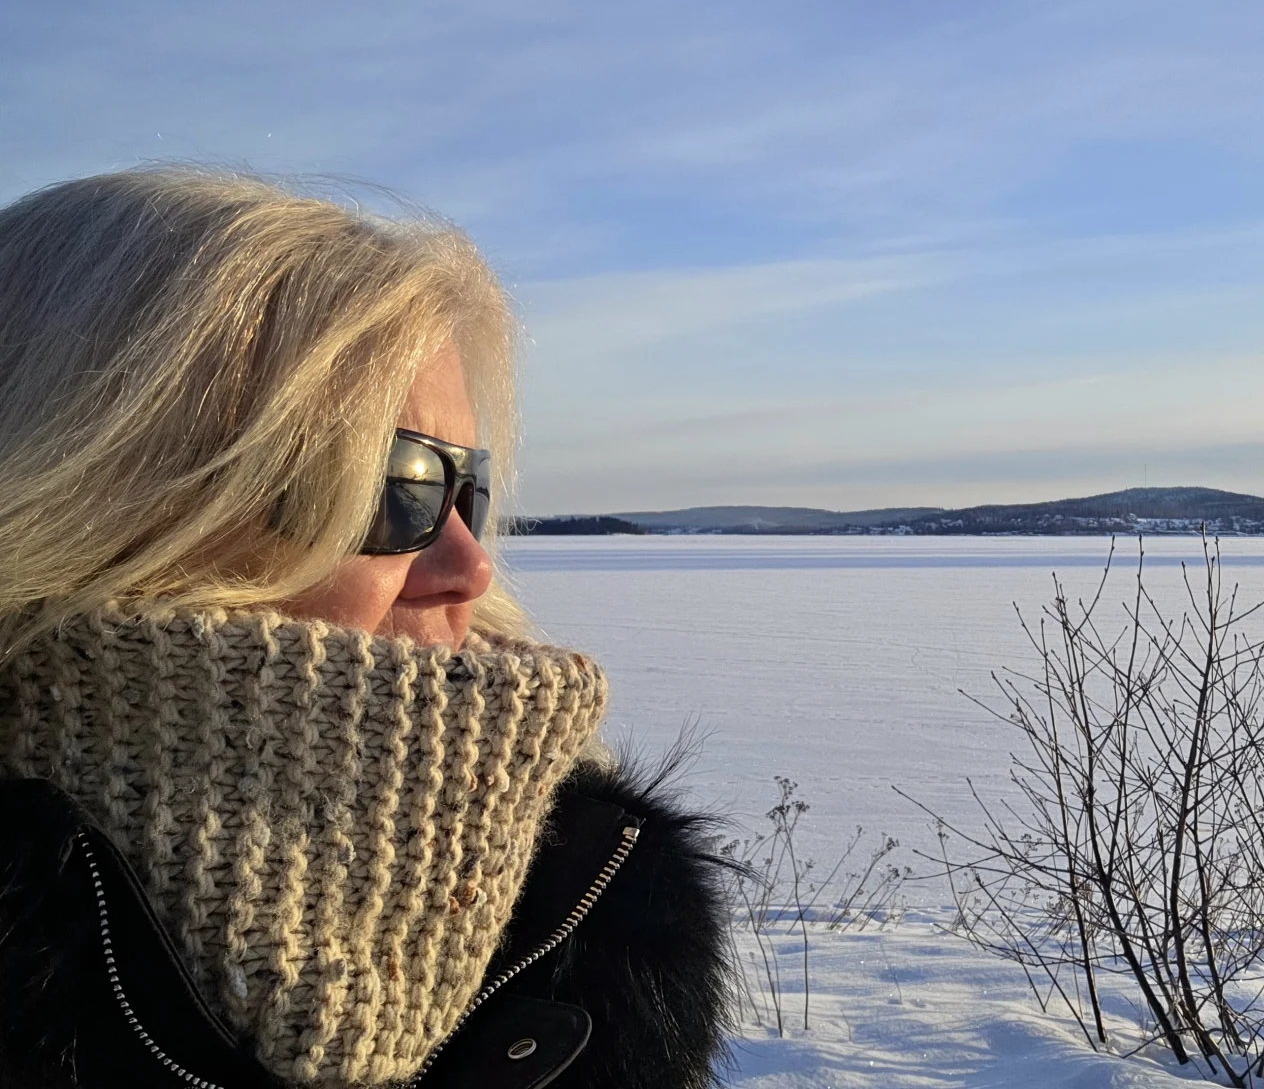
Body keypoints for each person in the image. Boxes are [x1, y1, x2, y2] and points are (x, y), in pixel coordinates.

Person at [0, 169, 731, 1088]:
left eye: (466, 491)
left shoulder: (590, 921)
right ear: (87, 504)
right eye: (391, 486)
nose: (470, 566)